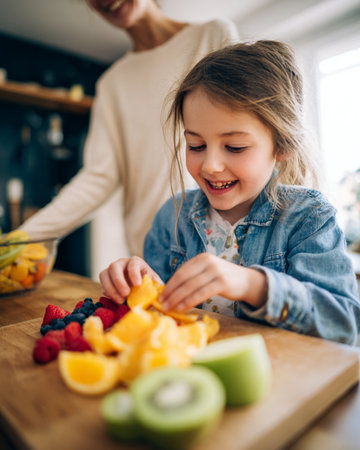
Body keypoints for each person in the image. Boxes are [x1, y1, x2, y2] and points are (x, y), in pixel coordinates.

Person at [99, 40, 360, 345]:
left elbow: (345, 326)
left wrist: (255, 285)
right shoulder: (171, 216)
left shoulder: (309, 217)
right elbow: (154, 314)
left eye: (234, 147)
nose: (210, 166)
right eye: (196, 145)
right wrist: (132, 284)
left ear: (282, 146)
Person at [20, 0, 239, 274]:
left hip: (221, 253)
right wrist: (23, 238)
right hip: (150, 260)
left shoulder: (212, 36)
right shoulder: (112, 83)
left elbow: (246, 135)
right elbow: (98, 178)